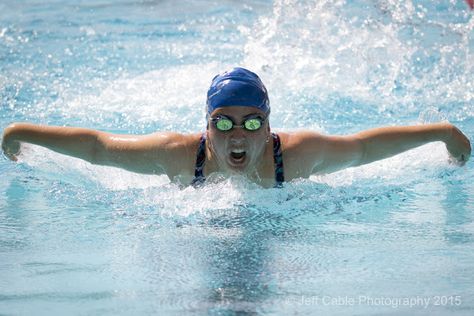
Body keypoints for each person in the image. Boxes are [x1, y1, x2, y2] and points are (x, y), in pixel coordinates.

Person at [1, 67, 471, 188]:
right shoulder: (178, 154)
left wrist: (440, 131)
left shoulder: (297, 155)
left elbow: (364, 149)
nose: (238, 135)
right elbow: (100, 148)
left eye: (252, 122)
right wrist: (19, 129)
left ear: (269, 127)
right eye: (224, 123)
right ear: (206, 127)